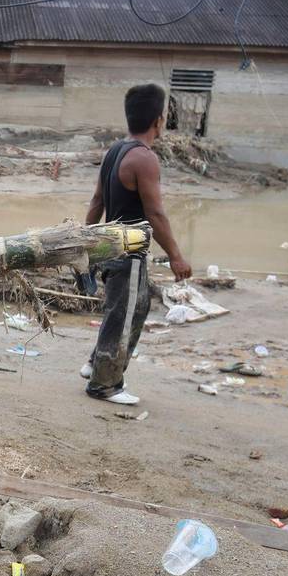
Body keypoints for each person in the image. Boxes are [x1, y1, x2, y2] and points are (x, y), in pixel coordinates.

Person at [82, 83, 192, 405]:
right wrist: (176, 256)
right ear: (159, 120)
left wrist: (88, 243)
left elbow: (97, 201)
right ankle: (104, 384)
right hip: (127, 251)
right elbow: (155, 214)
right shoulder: (144, 159)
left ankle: (94, 363)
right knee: (125, 315)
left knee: (133, 308)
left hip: (111, 246)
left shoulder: (115, 150)